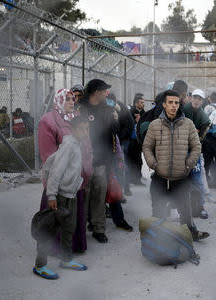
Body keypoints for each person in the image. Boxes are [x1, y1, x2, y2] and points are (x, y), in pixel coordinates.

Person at [142, 90, 210, 241]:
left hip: (181, 178)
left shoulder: (188, 124)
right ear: (164, 105)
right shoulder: (155, 125)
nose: (174, 106)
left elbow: (196, 147)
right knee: (158, 212)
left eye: (176, 103)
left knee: (185, 211)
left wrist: (188, 164)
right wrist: (153, 163)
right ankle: (157, 240)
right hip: (160, 177)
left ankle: (190, 233)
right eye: (170, 103)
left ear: (180, 105)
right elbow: (147, 146)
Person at [33, 115, 90, 280]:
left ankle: (66, 258)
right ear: (73, 130)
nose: (85, 132)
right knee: (50, 231)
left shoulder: (78, 145)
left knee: (69, 228)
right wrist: (51, 195)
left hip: (71, 194)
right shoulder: (68, 146)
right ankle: (40, 265)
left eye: (87, 129)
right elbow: (56, 172)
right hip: (59, 195)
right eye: (81, 129)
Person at [38, 89, 92, 255]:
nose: (71, 101)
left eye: (73, 99)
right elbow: (50, 158)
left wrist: (87, 170)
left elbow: (87, 146)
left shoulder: (77, 119)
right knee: (56, 219)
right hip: (61, 183)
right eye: (67, 99)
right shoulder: (48, 121)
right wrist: (52, 192)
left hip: (76, 180)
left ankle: (70, 251)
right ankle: (50, 253)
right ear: (59, 100)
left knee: (72, 221)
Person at [79, 79, 132, 243]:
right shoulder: (81, 109)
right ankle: (80, 230)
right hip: (84, 162)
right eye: (104, 91)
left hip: (103, 161)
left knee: (99, 197)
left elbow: (115, 131)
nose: (106, 94)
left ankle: (98, 229)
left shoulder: (107, 109)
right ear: (96, 92)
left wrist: (114, 119)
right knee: (84, 198)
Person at [182, 88, 211, 219]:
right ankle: (180, 208)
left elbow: (202, 137)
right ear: (190, 97)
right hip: (179, 150)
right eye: (195, 97)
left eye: (199, 99)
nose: (196, 100)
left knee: (197, 179)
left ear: (202, 101)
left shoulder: (204, 117)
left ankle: (200, 207)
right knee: (179, 180)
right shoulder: (182, 110)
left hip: (195, 151)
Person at [128, 93, 146, 185]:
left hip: (139, 140)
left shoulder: (143, 113)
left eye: (143, 102)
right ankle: (134, 179)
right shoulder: (131, 112)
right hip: (132, 140)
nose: (143, 104)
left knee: (138, 160)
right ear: (136, 104)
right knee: (134, 160)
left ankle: (136, 178)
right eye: (141, 102)